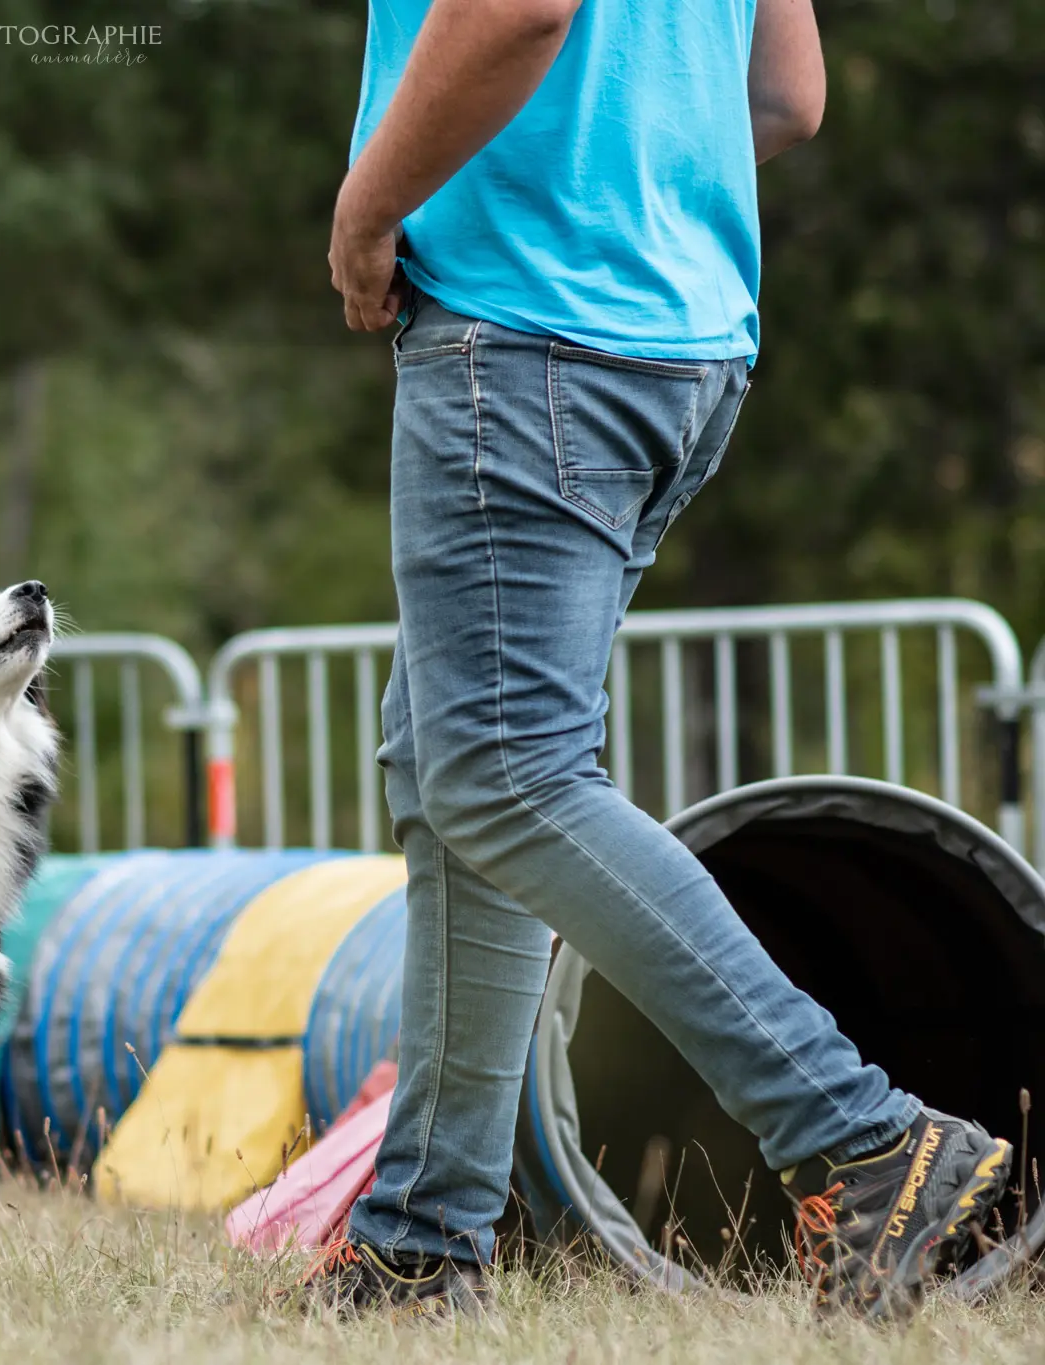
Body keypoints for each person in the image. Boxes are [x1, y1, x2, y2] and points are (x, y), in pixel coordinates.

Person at [308, 0, 1013, 1323]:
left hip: (532, 329)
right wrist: (641, 174)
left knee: (505, 774)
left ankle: (861, 1136)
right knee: (457, 770)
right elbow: (789, 94)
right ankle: (420, 1243)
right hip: (683, 335)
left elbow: (520, 10)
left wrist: (368, 207)